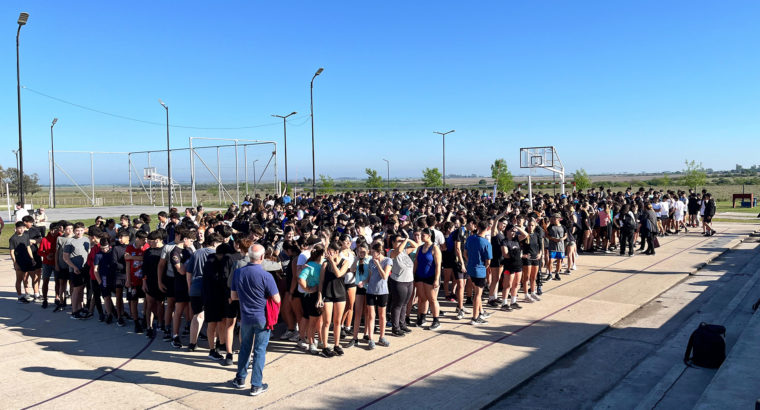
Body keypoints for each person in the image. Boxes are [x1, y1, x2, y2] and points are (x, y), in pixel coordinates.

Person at [230, 243, 280, 397]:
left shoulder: (238, 273)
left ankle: (240, 379)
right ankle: (256, 385)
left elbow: (233, 296)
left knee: (244, 347)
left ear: (249, 256)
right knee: (259, 351)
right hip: (262, 317)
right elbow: (277, 299)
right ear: (263, 257)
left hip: (245, 316)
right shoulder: (266, 276)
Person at [388, 231, 416, 336]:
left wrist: (407, 239)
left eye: (401, 241)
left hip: (409, 280)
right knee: (397, 304)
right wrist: (405, 239)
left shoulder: (404, 251)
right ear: (393, 243)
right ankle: (395, 327)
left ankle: (402, 324)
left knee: (405, 303)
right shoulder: (391, 252)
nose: (400, 243)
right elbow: (398, 250)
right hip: (399, 281)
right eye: (398, 241)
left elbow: (415, 246)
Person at [464, 220, 492, 325]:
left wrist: (470, 261)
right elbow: (488, 261)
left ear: (478, 227)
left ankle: (480, 312)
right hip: (480, 270)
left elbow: (465, 253)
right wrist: (484, 267)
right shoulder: (486, 242)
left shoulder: (470, 238)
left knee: (476, 291)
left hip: (471, 268)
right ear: (487, 229)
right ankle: (475, 317)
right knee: (478, 294)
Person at [413, 228, 441, 330]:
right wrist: (413, 274)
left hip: (430, 276)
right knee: (422, 298)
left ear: (429, 236)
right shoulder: (420, 248)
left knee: (432, 299)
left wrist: (436, 279)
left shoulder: (435, 248)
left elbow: (438, 265)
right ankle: (422, 317)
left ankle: (436, 320)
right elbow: (416, 262)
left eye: (423, 235)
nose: (421, 237)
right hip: (420, 276)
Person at [365, 242, 392, 348]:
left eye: (373, 252)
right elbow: (370, 276)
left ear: (378, 252)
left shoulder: (388, 261)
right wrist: (364, 281)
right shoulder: (371, 261)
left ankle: (382, 337)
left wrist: (378, 265)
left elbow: (385, 276)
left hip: (383, 291)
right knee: (371, 315)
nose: (371, 254)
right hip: (371, 291)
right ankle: (371, 338)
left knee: (382, 315)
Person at [63, 222, 91, 319]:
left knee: (82, 289)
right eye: (77, 231)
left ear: (84, 230)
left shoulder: (86, 239)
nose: (79, 233)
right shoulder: (69, 241)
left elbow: (88, 253)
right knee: (76, 289)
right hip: (75, 269)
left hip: (85, 268)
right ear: (74, 231)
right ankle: (74, 311)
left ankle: (80, 307)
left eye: (81, 231)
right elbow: (65, 257)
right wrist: (74, 267)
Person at [10, 221, 34, 303]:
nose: (21, 230)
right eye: (19, 228)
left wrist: (32, 258)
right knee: (19, 279)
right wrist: (15, 263)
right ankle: (20, 296)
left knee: (26, 278)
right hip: (19, 261)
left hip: (27, 260)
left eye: (23, 228)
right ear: (16, 228)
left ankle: (27, 293)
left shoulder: (26, 236)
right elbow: (12, 252)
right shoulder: (13, 238)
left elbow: (28, 248)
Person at [38, 222, 61, 308]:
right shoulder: (44, 239)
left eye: (57, 230)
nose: (54, 232)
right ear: (50, 230)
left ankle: (57, 297)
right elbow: (39, 251)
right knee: (45, 281)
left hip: (57, 263)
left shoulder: (60, 237)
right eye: (53, 230)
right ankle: (45, 299)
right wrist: (46, 255)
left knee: (57, 281)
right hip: (47, 263)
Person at [546, 213, 567, 283]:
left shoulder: (563, 227)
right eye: (553, 218)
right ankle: (550, 274)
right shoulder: (550, 227)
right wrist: (552, 238)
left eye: (555, 218)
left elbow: (566, 235)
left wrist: (562, 239)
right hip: (552, 246)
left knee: (559, 261)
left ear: (558, 219)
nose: (553, 220)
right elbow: (546, 235)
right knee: (550, 261)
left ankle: (557, 273)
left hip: (560, 247)